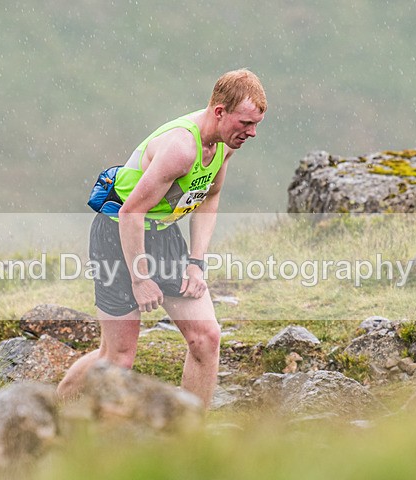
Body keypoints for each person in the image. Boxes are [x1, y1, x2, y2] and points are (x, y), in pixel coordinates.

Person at [57, 69, 266, 408]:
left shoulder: (225, 146)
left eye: (256, 124)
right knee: (117, 357)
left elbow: (209, 197)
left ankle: (188, 439)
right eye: (245, 123)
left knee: (206, 338)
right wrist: (140, 278)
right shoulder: (181, 148)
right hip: (118, 235)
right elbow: (130, 213)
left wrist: (196, 264)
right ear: (219, 112)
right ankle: (56, 410)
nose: (252, 133)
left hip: (164, 236)